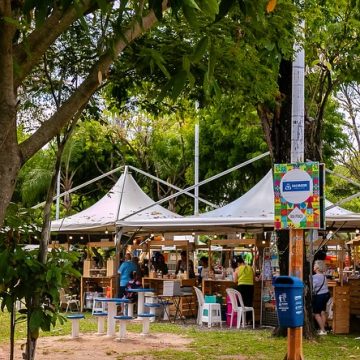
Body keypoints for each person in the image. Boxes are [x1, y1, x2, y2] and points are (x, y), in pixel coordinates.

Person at [233, 256, 254, 322]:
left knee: (241, 303)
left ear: (238, 263)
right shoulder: (250, 268)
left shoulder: (237, 269)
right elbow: (253, 278)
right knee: (249, 303)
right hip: (250, 287)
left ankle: (241, 320)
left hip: (241, 287)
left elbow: (235, 280)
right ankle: (249, 320)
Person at [312, 260, 330, 335]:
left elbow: (312, 288)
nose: (313, 266)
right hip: (326, 295)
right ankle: (323, 329)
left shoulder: (314, 277)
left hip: (319, 296)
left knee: (316, 313)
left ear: (317, 267)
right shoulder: (324, 276)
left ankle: (323, 330)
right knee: (322, 312)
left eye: (314, 265)